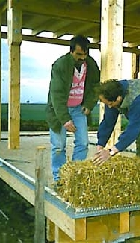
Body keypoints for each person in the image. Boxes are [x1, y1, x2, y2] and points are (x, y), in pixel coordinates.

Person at [45, 35, 100, 183]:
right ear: (71, 52)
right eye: (79, 55)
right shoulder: (60, 66)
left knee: (83, 143)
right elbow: (56, 95)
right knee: (58, 146)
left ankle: (75, 177)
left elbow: (95, 86)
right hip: (59, 111)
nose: (82, 58)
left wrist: (89, 105)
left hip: (78, 109)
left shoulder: (91, 65)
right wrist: (64, 119)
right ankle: (59, 180)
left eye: (85, 54)